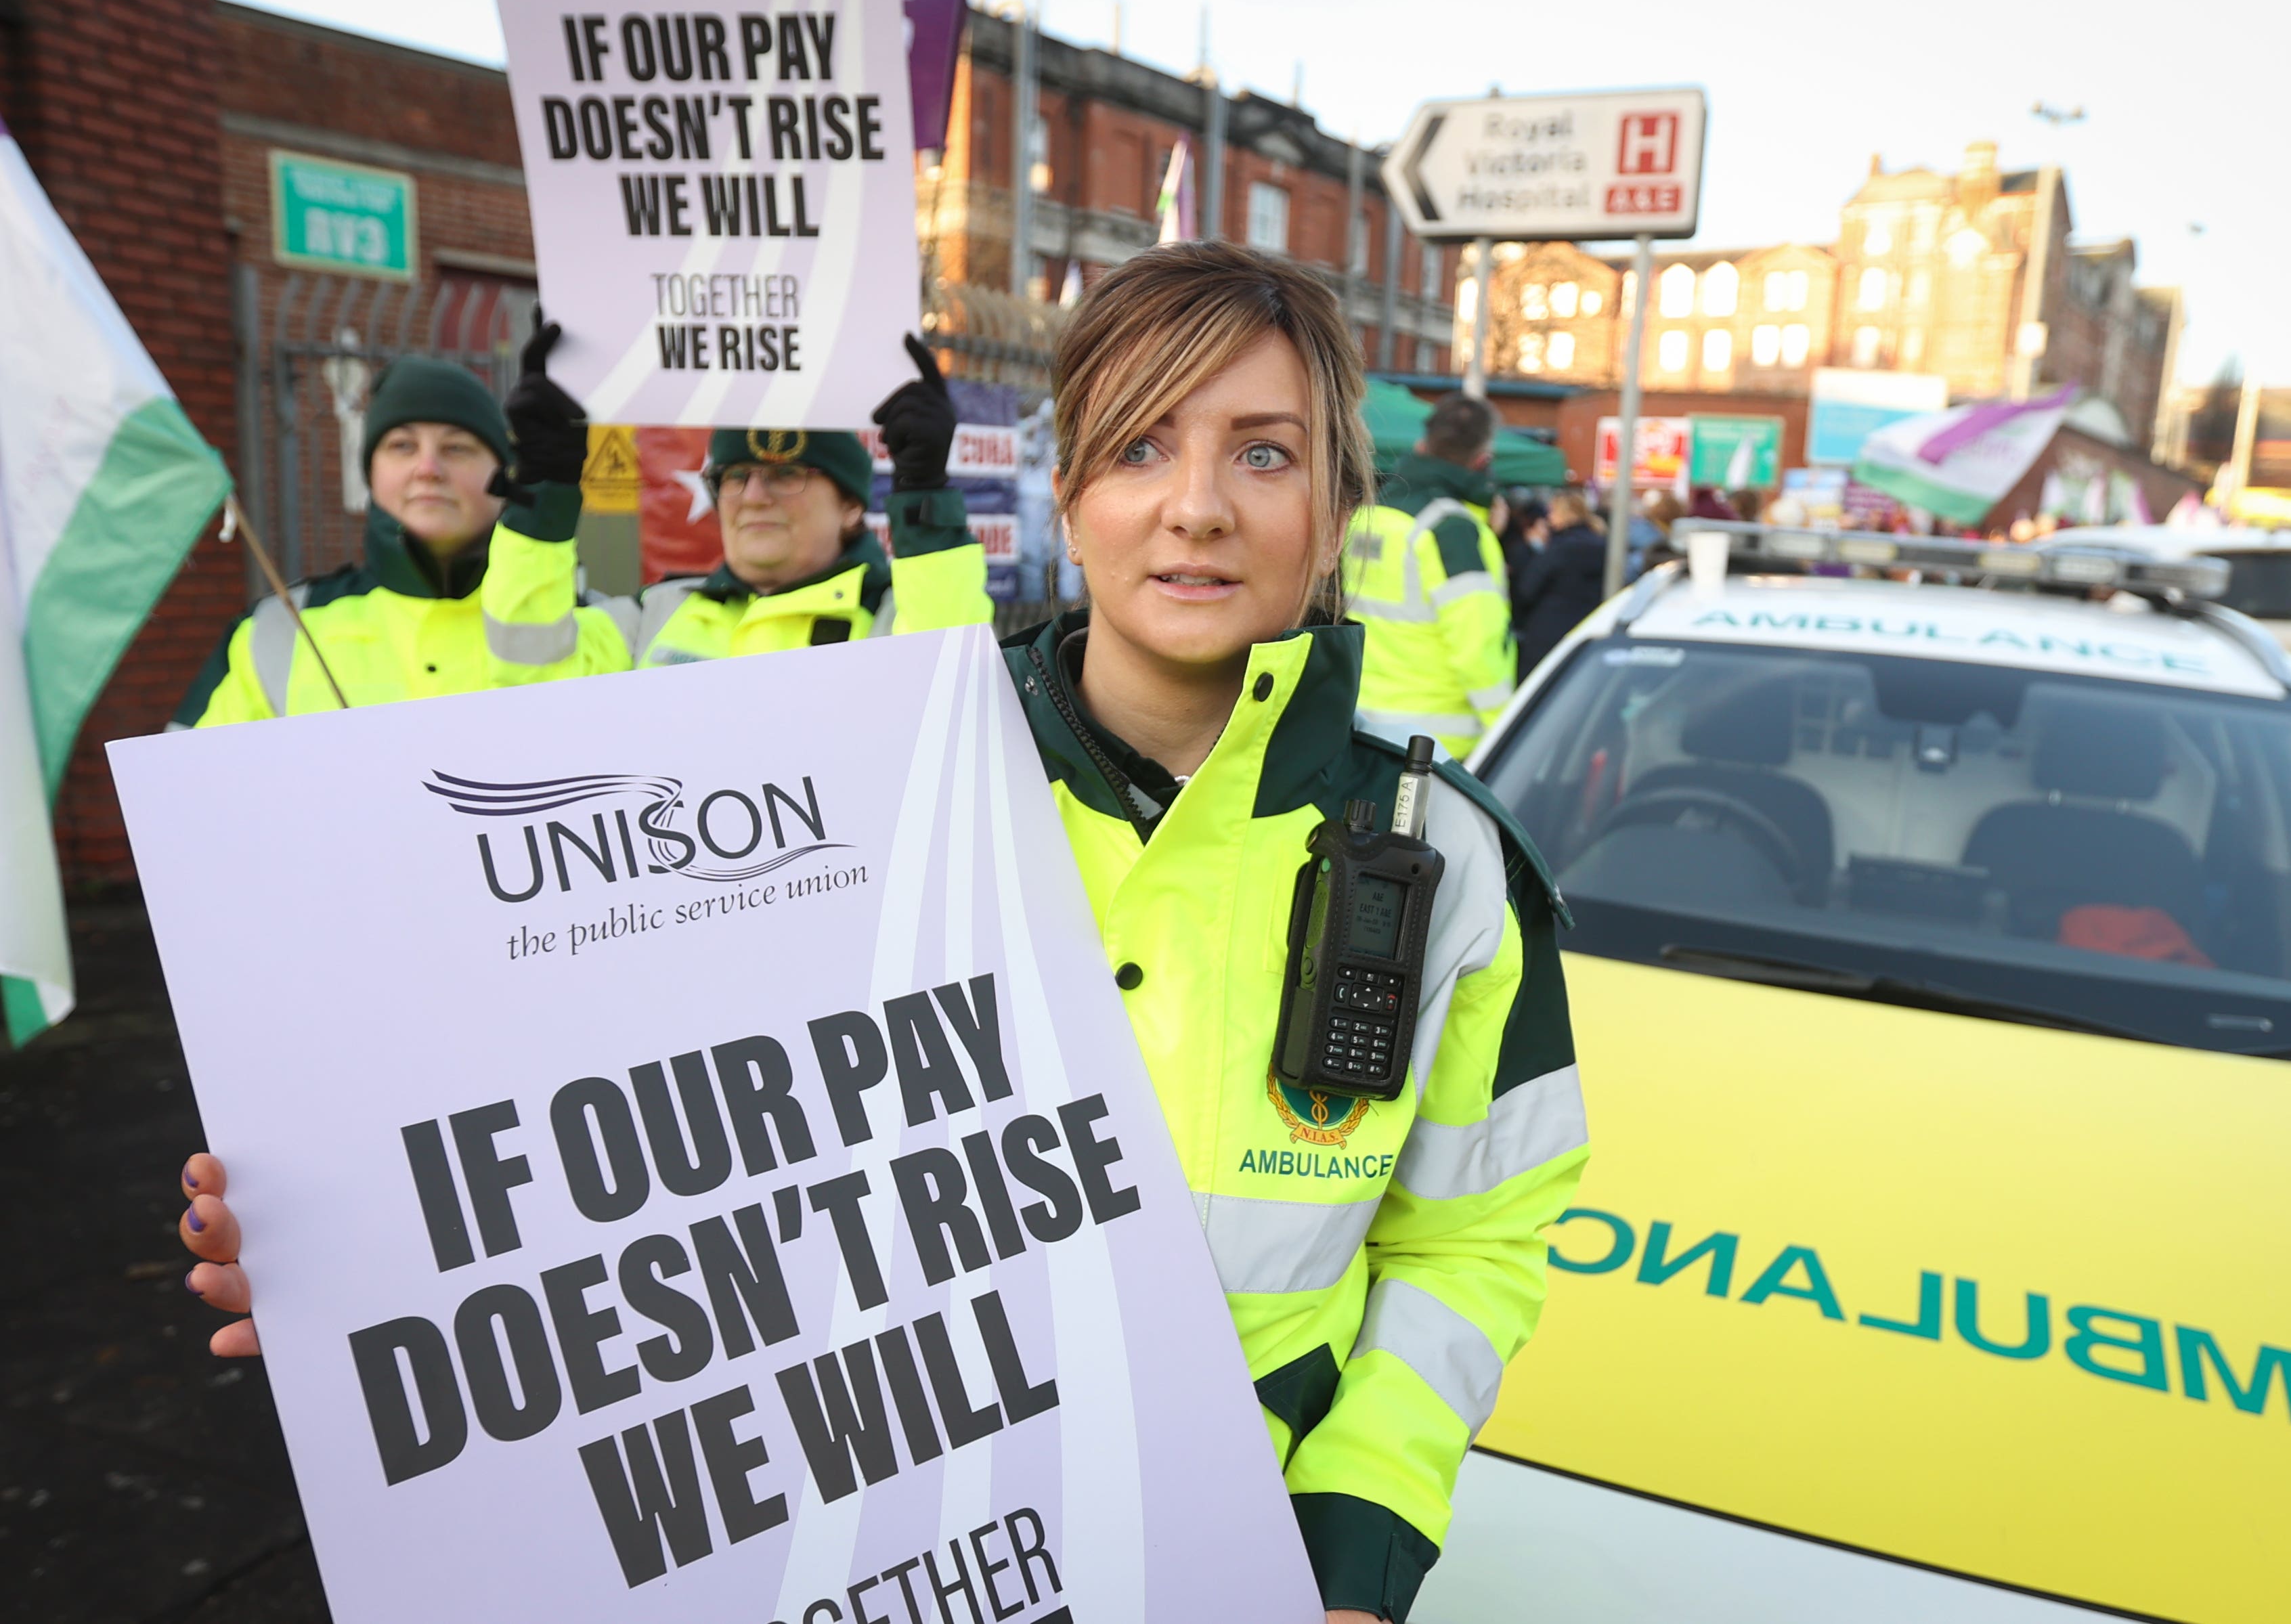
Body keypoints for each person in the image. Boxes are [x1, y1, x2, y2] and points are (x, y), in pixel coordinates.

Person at [177, 240, 1588, 1624]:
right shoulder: (871, 786)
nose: (1198, 507)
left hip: (1236, 1559)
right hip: (853, 1534)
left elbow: (1471, 1244)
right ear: (1072, 488)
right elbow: (634, 1087)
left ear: (1340, 506)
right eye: (1142, 446)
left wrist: (1356, 1558)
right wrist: (368, 1255)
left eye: (1265, 453)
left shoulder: (1449, 865)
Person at [169, 326, 597, 724]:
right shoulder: (277, 632)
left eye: (458, 447)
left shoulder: (587, 621)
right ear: (370, 474)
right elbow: (185, 794)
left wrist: (544, 508)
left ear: (506, 473)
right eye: (402, 446)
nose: (428, 469)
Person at [481, 336, 990, 667]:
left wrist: (924, 492)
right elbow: (526, 666)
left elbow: (951, 682)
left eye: (787, 474)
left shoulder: (894, 622)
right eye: (733, 476)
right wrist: (545, 488)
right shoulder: (650, 616)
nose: (752, 497)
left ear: (852, 505)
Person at [1339, 394, 1517, 759]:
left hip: (1364, 731)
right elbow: (1477, 647)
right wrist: (1510, 735)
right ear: (1483, 460)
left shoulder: (1370, 515)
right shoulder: (1451, 531)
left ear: (1423, 444)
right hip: (1441, 749)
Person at [1512, 489, 1609, 679]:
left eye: (1552, 512)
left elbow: (1526, 589)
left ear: (1564, 514)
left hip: (1546, 636)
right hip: (1588, 632)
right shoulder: (1603, 546)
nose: (1548, 518)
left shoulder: (1559, 550)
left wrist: (1530, 551)